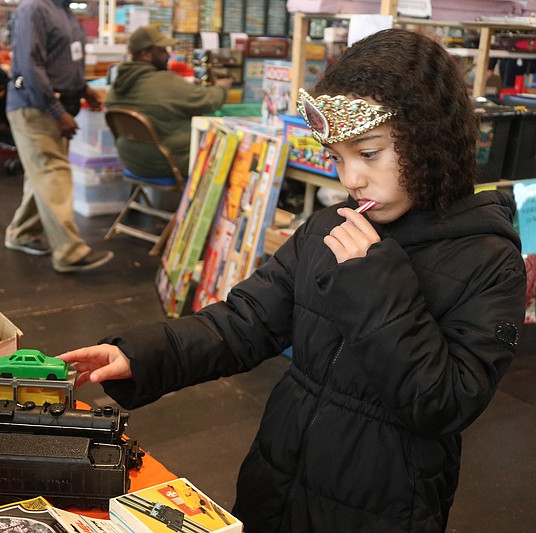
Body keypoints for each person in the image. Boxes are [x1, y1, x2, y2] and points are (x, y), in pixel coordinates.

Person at [60, 28, 527, 532]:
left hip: (384, 504)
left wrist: (372, 279)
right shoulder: (332, 227)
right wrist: (143, 354)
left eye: (368, 153)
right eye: (337, 157)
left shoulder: (489, 260)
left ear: (430, 139)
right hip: (278, 472)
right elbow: (246, 320)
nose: (350, 180)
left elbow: (444, 402)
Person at [4, 0, 114, 274]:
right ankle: (69, 251)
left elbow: (62, 59)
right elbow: (30, 65)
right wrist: (56, 111)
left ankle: (20, 232)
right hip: (36, 107)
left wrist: (83, 88)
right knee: (53, 172)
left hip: (55, 106)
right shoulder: (34, 9)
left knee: (42, 173)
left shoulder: (64, 11)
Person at [105, 25, 231, 178]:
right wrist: (222, 87)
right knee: (232, 151)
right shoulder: (165, 82)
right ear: (145, 54)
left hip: (132, 162)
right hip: (169, 163)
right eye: (162, 51)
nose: (168, 55)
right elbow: (209, 101)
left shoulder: (117, 85)